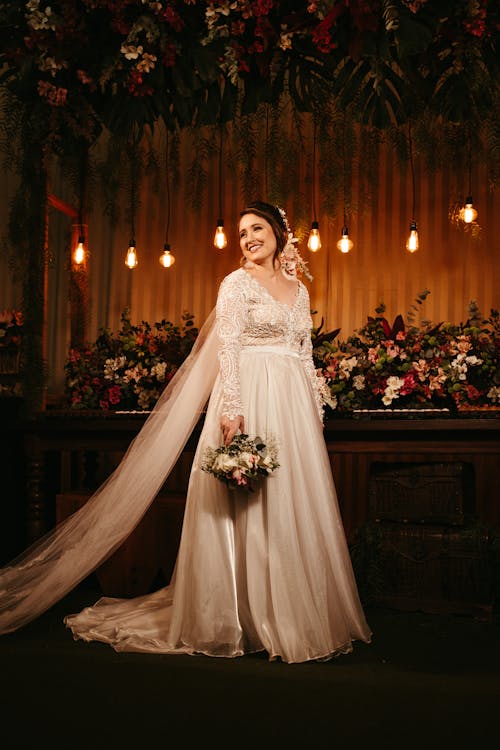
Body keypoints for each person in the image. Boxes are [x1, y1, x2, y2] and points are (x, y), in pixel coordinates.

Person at [0, 201, 371, 663]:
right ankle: (242, 615)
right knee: (245, 501)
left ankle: (293, 611)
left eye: (257, 228)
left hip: (291, 402)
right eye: (241, 233)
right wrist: (232, 408)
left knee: (290, 498)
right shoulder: (235, 284)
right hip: (250, 393)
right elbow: (229, 347)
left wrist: (313, 409)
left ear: (279, 233)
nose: (249, 238)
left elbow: (304, 351)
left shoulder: (298, 289)